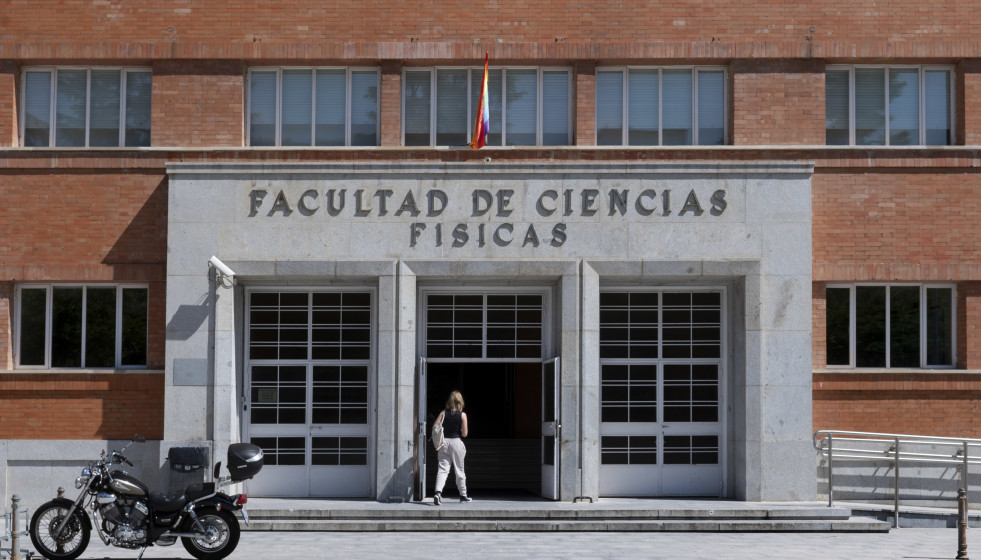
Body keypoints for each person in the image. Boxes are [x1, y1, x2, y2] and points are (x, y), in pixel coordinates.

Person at [433, 390, 471, 504]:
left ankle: (438, 493)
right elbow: (464, 434)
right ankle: (463, 495)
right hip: (456, 443)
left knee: (442, 470)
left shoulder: (443, 413)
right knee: (459, 470)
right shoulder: (463, 415)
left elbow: (435, 427)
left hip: (443, 443)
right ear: (461, 402)